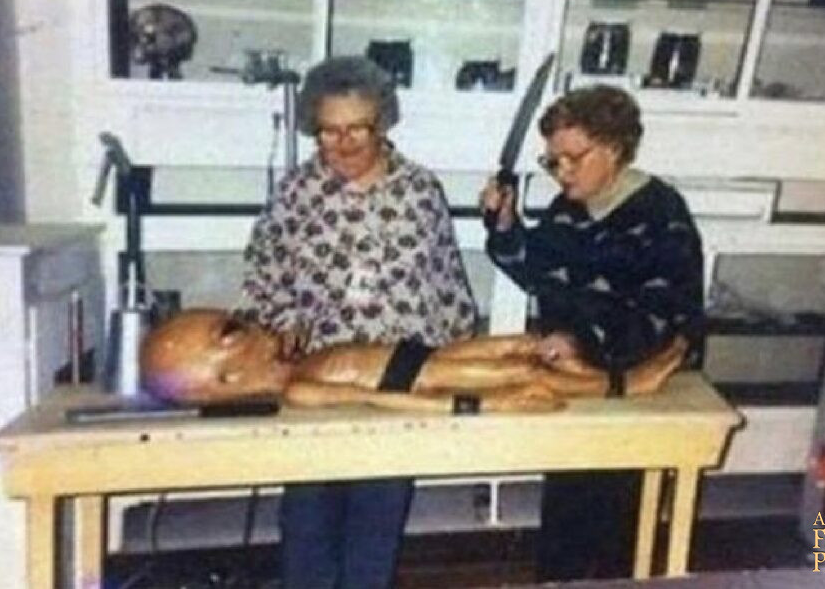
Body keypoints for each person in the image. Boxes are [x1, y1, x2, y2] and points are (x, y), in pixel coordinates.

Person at [232, 56, 476, 589]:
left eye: (356, 129)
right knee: (307, 514)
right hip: (317, 373)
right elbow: (263, 270)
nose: (342, 144)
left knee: (379, 513)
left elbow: (447, 280)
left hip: (399, 372)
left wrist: (458, 359)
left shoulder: (419, 190)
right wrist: (282, 320)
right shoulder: (297, 192)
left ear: (382, 123)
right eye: (328, 131)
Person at [480, 84, 704, 581]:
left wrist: (579, 340)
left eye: (573, 159)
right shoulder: (569, 206)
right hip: (579, 386)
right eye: (552, 161)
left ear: (614, 148)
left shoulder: (660, 212)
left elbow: (665, 322)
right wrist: (506, 225)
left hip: (640, 393)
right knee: (565, 519)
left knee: (612, 534)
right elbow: (537, 270)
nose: (562, 172)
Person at [141, 309, 688, 411]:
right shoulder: (299, 389)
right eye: (229, 331)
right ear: (229, 376)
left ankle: (599, 376)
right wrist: (479, 405)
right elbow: (382, 397)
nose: (245, 321)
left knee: (524, 345)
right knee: (524, 371)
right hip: (416, 375)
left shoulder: (296, 365)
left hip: (418, 355)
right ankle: (626, 385)